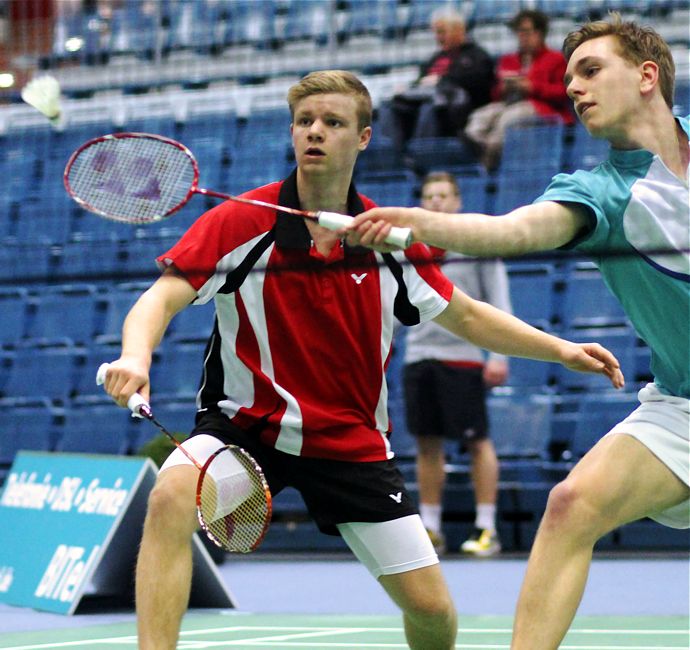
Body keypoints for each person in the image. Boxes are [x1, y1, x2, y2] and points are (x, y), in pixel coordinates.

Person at [101, 69, 624, 650]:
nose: (315, 133)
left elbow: (467, 315)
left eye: (332, 122)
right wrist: (134, 355)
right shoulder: (240, 223)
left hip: (351, 444)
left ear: (365, 137)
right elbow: (159, 299)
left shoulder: (388, 240)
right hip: (244, 429)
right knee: (171, 495)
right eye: (304, 122)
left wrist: (561, 349)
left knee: (432, 613)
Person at [346, 14, 690, 650]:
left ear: (647, 76)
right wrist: (420, 222)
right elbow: (513, 232)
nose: (575, 88)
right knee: (570, 506)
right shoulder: (599, 193)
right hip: (682, 408)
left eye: (591, 70)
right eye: (568, 78)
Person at [404, 172, 511, 556]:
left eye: (444, 195)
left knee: (477, 443)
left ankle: (487, 528)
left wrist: (497, 355)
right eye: (429, 195)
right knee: (427, 444)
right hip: (419, 357)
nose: (436, 202)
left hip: (463, 360)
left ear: (457, 201)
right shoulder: (408, 244)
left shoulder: (476, 242)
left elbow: (498, 299)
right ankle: (431, 528)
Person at [464, 9, 574, 170]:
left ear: (540, 33)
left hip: (541, 107)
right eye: (519, 32)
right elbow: (495, 95)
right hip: (508, 103)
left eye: (526, 32)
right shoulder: (508, 60)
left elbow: (563, 92)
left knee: (508, 119)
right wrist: (503, 88)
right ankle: (489, 152)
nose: (522, 36)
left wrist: (531, 87)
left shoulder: (555, 59)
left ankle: (487, 166)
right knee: (479, 119)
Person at [378, 7, 494, 153]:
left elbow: (478, 85)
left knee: (430, 106)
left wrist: (441, 80)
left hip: (457, 112)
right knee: (389, 106)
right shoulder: (435, 58)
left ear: (459, 30)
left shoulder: (477, 56)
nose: (438, 37)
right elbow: (422, 81)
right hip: (425, 105)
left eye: (442, 32)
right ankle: (392, 156)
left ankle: (422, 154)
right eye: (436, 33)